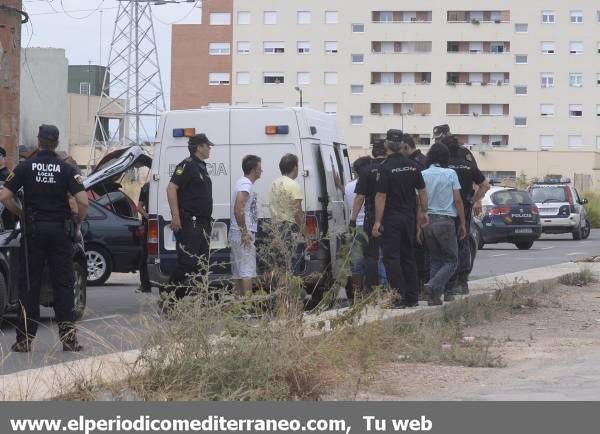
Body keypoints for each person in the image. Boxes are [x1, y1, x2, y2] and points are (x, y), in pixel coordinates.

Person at [0, 125, 89, 352]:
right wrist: (77, 220)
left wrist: (20, 214)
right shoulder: (67, 169)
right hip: (60, 232)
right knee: (63, 285)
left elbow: (5, 196)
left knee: (29, 285)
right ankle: (69, 340)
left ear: (39, 142)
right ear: (57, 143)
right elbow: (84, 201)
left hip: (34, 233)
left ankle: (24, 340)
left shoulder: (25, 167)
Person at [373, 129, 428, 308]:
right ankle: (412, 297)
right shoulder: (412, 165)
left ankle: (398, 297)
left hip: (392, 218)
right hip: (409, 218)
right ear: (402, 146)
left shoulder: (385, 167)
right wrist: (424, 212)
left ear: (387, 145)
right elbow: (422, 191)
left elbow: (381, 196)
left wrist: (377, 221)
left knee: (391, 258)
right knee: (408, 257)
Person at [163, 133, 214, 301]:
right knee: (188, 262)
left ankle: (199, 305)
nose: (209, 148)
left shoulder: (201, 166)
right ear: (199, 147)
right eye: (207, 145)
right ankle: (168, 300)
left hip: (203, 222)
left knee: (201, 264)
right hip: (190, 221)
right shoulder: (187, 165)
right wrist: (175, 216)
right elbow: (171, 188)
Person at [442, 135, 490, 294]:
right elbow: (485, 185)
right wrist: (474, 199)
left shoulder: (444, 167)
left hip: (447, 209)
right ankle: (462, 282)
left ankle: (449, 281)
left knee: (447, 246)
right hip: (465, 208)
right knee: (463, 244)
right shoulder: (468, 165)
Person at [421, 143, 466, 306]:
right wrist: (462, 222)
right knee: (452, 260)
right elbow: (458, 199)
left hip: (427, 221)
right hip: (445, 220)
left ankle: (433, 297)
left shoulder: (423, 174)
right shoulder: (450, 174)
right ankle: (433, 285)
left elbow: (418, 201)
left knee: (435, 260)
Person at [351, 139, 388, 294]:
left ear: (373, 152)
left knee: (371, 255)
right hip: (391, 216)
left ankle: (372, 289)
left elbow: (360, 197)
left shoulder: (366, 172)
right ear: (386, 151)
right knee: (388, 254)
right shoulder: (388, 168)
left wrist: (353, 219)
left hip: (371, 217)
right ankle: (388, 288)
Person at [229, 155, 262, 297]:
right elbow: (238, 210)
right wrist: (244, 232)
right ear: (254, 170)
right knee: (247, 271)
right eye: (260, 168)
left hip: (237, 232)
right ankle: (248, 308)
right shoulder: (246, 185)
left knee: (238, 272)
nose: (262, 171)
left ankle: (239, 307)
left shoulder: (242, 182)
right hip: (243, 233)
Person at [269, 153, 305, 276]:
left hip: (276, 229)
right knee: (293, 267)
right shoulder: (294, 186)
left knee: (281, 267)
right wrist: (305, 232)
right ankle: (292, 294)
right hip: (290, 229)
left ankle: (282, 294)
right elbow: (297, 212)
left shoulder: (274, 183)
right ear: (295, 168)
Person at [344, 156, 371, 302]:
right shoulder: (370, 183)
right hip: (368, 225)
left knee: (356, 263)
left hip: (354, 227)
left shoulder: (348, 186)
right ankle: (370, 291)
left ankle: (357, 295)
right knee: (372, 259)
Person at [137, 181, 151, 293]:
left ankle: (145, 286)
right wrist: (147, 216)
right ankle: (145, 285)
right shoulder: (146, 187)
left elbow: (139, 206)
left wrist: (147, 216)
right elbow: (140, 207)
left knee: (145, 256)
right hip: (150, 224)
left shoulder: (147, 186)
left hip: (151, 223)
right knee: (145, 256)